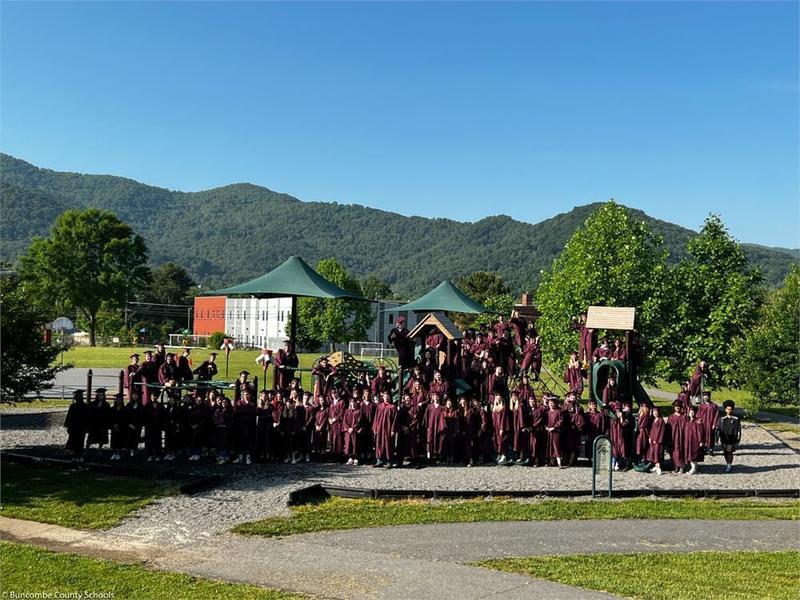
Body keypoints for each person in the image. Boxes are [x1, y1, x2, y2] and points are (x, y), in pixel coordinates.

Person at [373, 390, 397, 468]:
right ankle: (379, 460)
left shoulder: (393, 407)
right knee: (379, 443)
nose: (386, 398)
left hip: (388, 429)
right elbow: (376, 418)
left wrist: (393, 430)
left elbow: (395, 420)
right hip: (380, 428)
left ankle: (389, 461)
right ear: (382, 397)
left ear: (390, 397)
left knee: (388, 444)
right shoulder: (379, 406)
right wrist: (375, 428)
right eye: (385, 397)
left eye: (387, 397)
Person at [716, 400, 741, 473]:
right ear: (725, 410)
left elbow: (738, 430)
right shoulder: (722, 419)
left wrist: (737, 439)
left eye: (730, 409)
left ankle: (729, 465)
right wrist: (717, 438)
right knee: (725, 451)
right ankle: (727, 462)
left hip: (732, 438)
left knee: (729, 451)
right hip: (724, 438)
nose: (729, 411)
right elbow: (718, 429)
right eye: (727, 409)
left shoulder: (736, 419)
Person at [64, 390, 88, 461]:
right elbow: (69, 416)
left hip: (78, 427)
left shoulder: (75, 406)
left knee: (78, 442)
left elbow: (87, 417)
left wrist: (68, 426)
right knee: (77, 442)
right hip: (77, 427)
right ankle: (77, 456)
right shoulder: (82, 406)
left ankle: (78, 456)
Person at [86, 388, 110, 457]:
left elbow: (108, 415)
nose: (100, 396)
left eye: (102, 395)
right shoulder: (92, 404)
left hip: (102, 424)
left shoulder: (106, 404)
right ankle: (86, 450)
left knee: (101, 439)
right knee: (90, 439)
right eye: (99, 395)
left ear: (104, 396)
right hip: (94, 425)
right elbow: (89, 415)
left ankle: (99, 450)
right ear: (96, 396)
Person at [682, 405, 706, 475]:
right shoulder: (688, 421)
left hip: (695, 441)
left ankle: (694, 469)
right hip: (688, 441)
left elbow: (700, 432)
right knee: (690, 455)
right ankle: (694, 468)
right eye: (690, 412)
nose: (691, 413)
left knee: (694, 455)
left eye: (692, 412)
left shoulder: (698, 421)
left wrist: (701, 441)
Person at [666, 400, 687, 473]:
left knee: (682, 451)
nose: (677, 408)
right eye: (676, 406)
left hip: (683, 438)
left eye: (679, 406)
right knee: (674, 452)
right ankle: (676, 466)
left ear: (681, 407)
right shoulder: (671, 417)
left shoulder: (684, 417)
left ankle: (682, 466)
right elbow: (668, 429)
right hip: (673, 438)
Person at [697, 391, 720, 455]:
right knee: (703, 435)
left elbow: (716, 415)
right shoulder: (701, 406)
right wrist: (699, 421)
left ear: (709, 396)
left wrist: (714, 424)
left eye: (707, 396)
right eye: (704, 396)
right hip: (703, 423)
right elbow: (698, 415)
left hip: (710, 423)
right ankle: (704, 448)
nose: (705, 397)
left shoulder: (714, 406)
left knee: (711, 436)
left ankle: (710, 449)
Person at [544, 396, 564, 468]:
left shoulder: (559, 412)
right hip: (549, 431)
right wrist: (546, 427)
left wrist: (554, 427)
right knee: (550, 447)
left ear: (555, 404)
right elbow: (545, 421)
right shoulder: (548, 412)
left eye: (552, 403)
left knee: (556, 447)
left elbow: (560, 421)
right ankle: (551, 462)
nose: (551, 405)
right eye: (550, 403)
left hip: (556, 432)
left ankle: (559, 463)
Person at [492, 393, 511, 465]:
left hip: (501, 427)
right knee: (497, 441)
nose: (498, 400)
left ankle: (504, 455)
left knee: (502, 441)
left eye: (499, 399)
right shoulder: (494, 408)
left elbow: (504, 419)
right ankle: (499, 455)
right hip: (496, 427)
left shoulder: (503, 407)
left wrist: (502, 428)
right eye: (496, 399)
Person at [647, 405, 665, 474]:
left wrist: (657, 440)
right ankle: (655, 466)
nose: (655, 413)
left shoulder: (661, 420)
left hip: (657, 441)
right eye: (654, 412)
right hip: (653, 439)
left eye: (656, 412)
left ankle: (658, 468)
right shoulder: (654, 420)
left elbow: (661, 431)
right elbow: (652, 430)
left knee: (657, 453)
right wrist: (650, 437)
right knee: (654, 453)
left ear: (659, 412)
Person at [108, 393, 127, 461]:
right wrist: (113, 425)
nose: (118, 400)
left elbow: (125, 419)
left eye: (120, 399)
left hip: (121, 427)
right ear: (116, 400)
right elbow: (110, 418)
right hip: (114, 427)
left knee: (120, 441)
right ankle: (114, 453)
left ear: (122, 400)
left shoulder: (124, 409)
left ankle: (118, 453)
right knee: (113, 441)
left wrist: (119, 424)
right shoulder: (112, 408)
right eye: (117, 399)